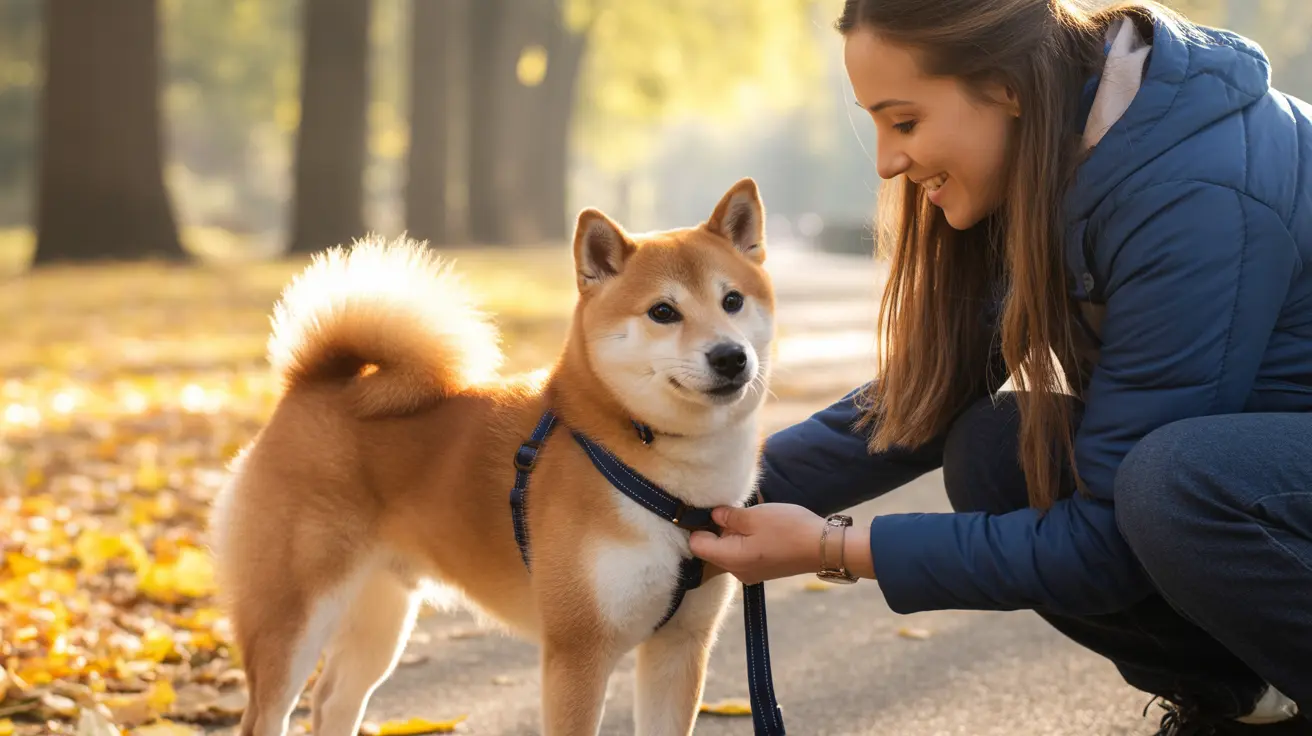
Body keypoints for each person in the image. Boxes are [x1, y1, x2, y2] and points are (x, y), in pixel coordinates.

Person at [688, 1, 1312, 734]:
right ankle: (1248, 707)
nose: (887, 160)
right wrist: (681, 494)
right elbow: (930, 396)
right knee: (999, 448)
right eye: (877, 124)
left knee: (1173, 485)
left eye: (906, 121)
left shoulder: (1193, 190)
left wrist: (834, 547)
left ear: (1006, 86)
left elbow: (1102, 546)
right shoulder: (1051, 146)